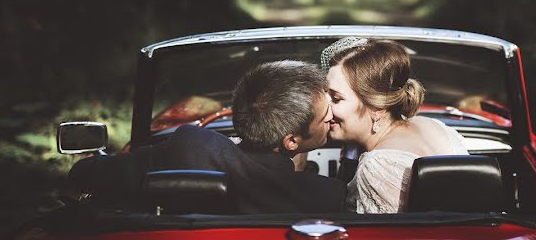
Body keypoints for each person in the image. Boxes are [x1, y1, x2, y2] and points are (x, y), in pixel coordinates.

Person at [69, 60, 346, 213]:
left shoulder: (191, 147)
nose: (333, 117)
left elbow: (84, 173)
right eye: (325, 118)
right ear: (291, 142)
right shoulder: (323, 196)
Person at [321, 37, 469, 213]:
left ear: (377, 107)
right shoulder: (435, 127)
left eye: (336, 98)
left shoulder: (377, 165)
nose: (324, 105)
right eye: (325, 94)